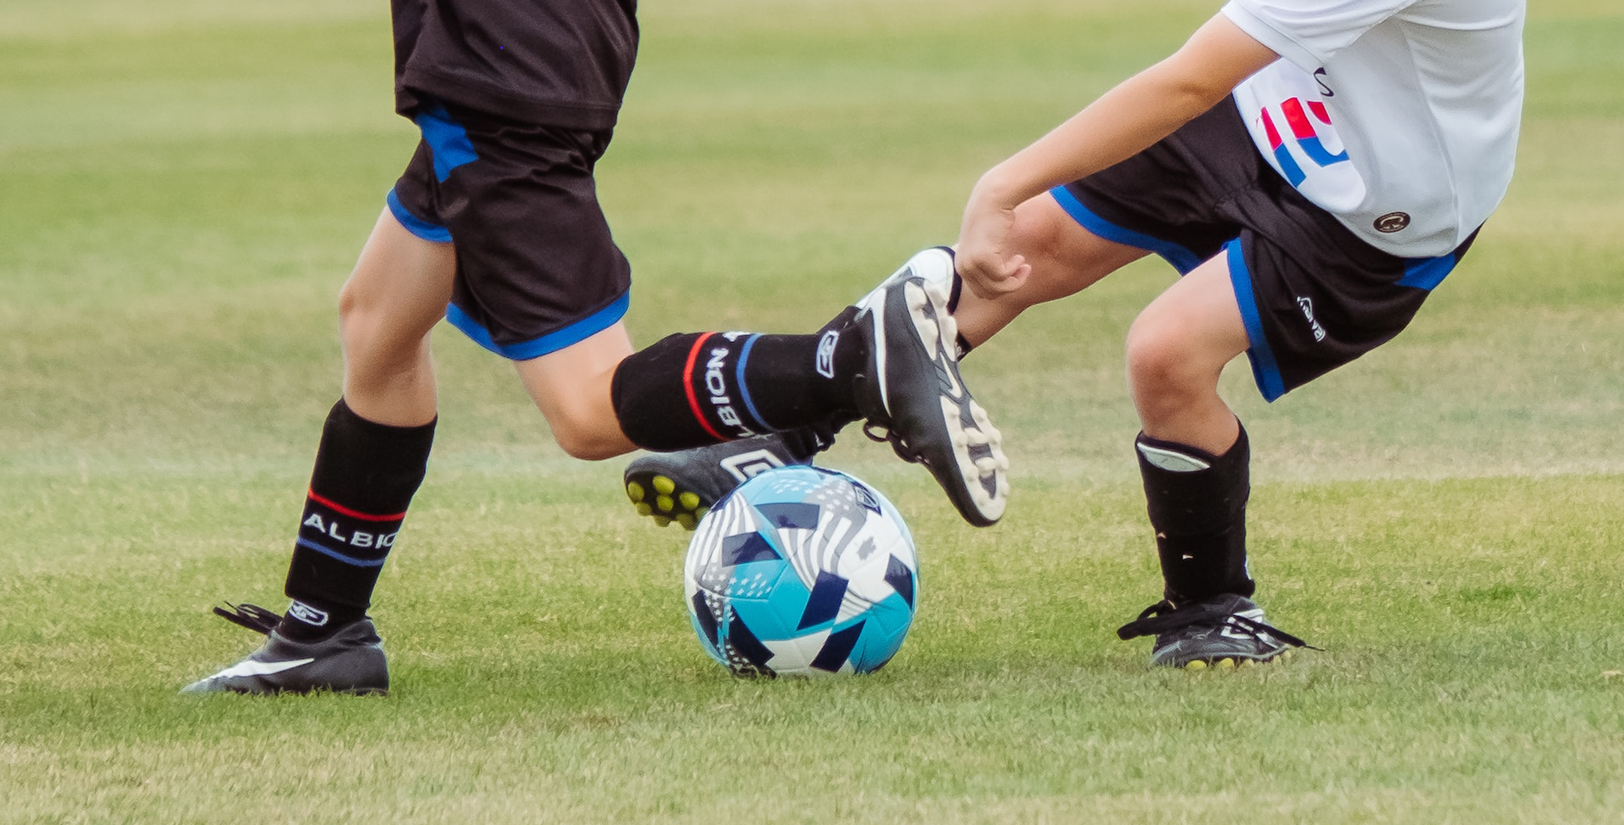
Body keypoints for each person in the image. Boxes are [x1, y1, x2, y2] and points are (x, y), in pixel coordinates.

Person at [626, 0, 1525, 669]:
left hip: (1380, 207)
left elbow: (1188, 78)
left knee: (1165, 353)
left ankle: (1211, 606)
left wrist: (1000, 183)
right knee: (1026, 249)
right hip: (1270, 106)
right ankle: (779, 434)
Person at [181, 0, 1009, 695]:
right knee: (377, 319)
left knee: (587, 411)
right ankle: (325, 635)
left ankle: (850, 361)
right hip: (523, 49)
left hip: (503, 64)